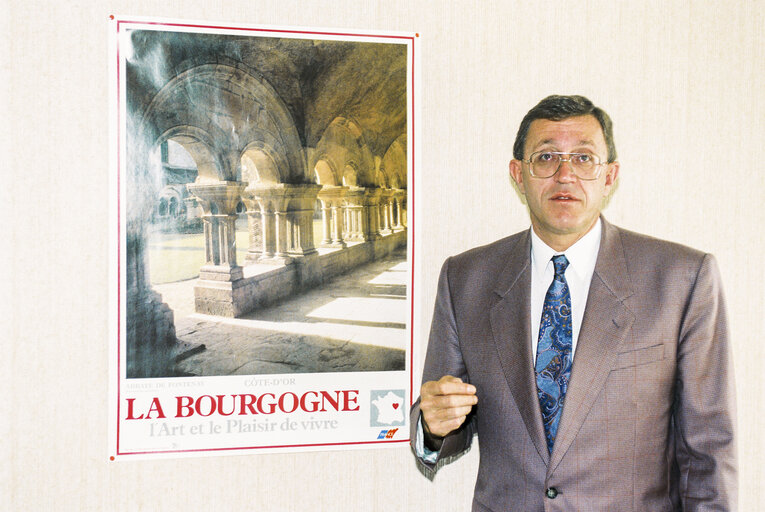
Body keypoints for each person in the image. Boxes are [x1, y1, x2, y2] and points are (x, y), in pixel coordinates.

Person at [410, 95, 737, 511]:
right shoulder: (466, 278)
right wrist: (433, 426)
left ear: (610, 175)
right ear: (518, 174)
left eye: (584, 159)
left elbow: (709, 447)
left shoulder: (682, 278)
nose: (565, 175)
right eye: (546, 157)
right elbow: (440, 409)